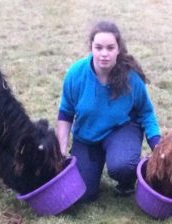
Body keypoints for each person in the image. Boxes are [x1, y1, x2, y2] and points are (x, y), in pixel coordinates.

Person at [56, 20, 161, 202]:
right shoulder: (75, 74)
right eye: (99, 48)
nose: (104, 54)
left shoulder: (131, 78)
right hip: (87, 137)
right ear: (91, 48)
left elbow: (146, 113)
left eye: (110, 48)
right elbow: (66, 112)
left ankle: (126, 181)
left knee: (122, 165)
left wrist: (158, 147)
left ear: (118, 49)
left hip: (121, 129)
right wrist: (60, 150)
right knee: (83, 194)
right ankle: (93, 165)